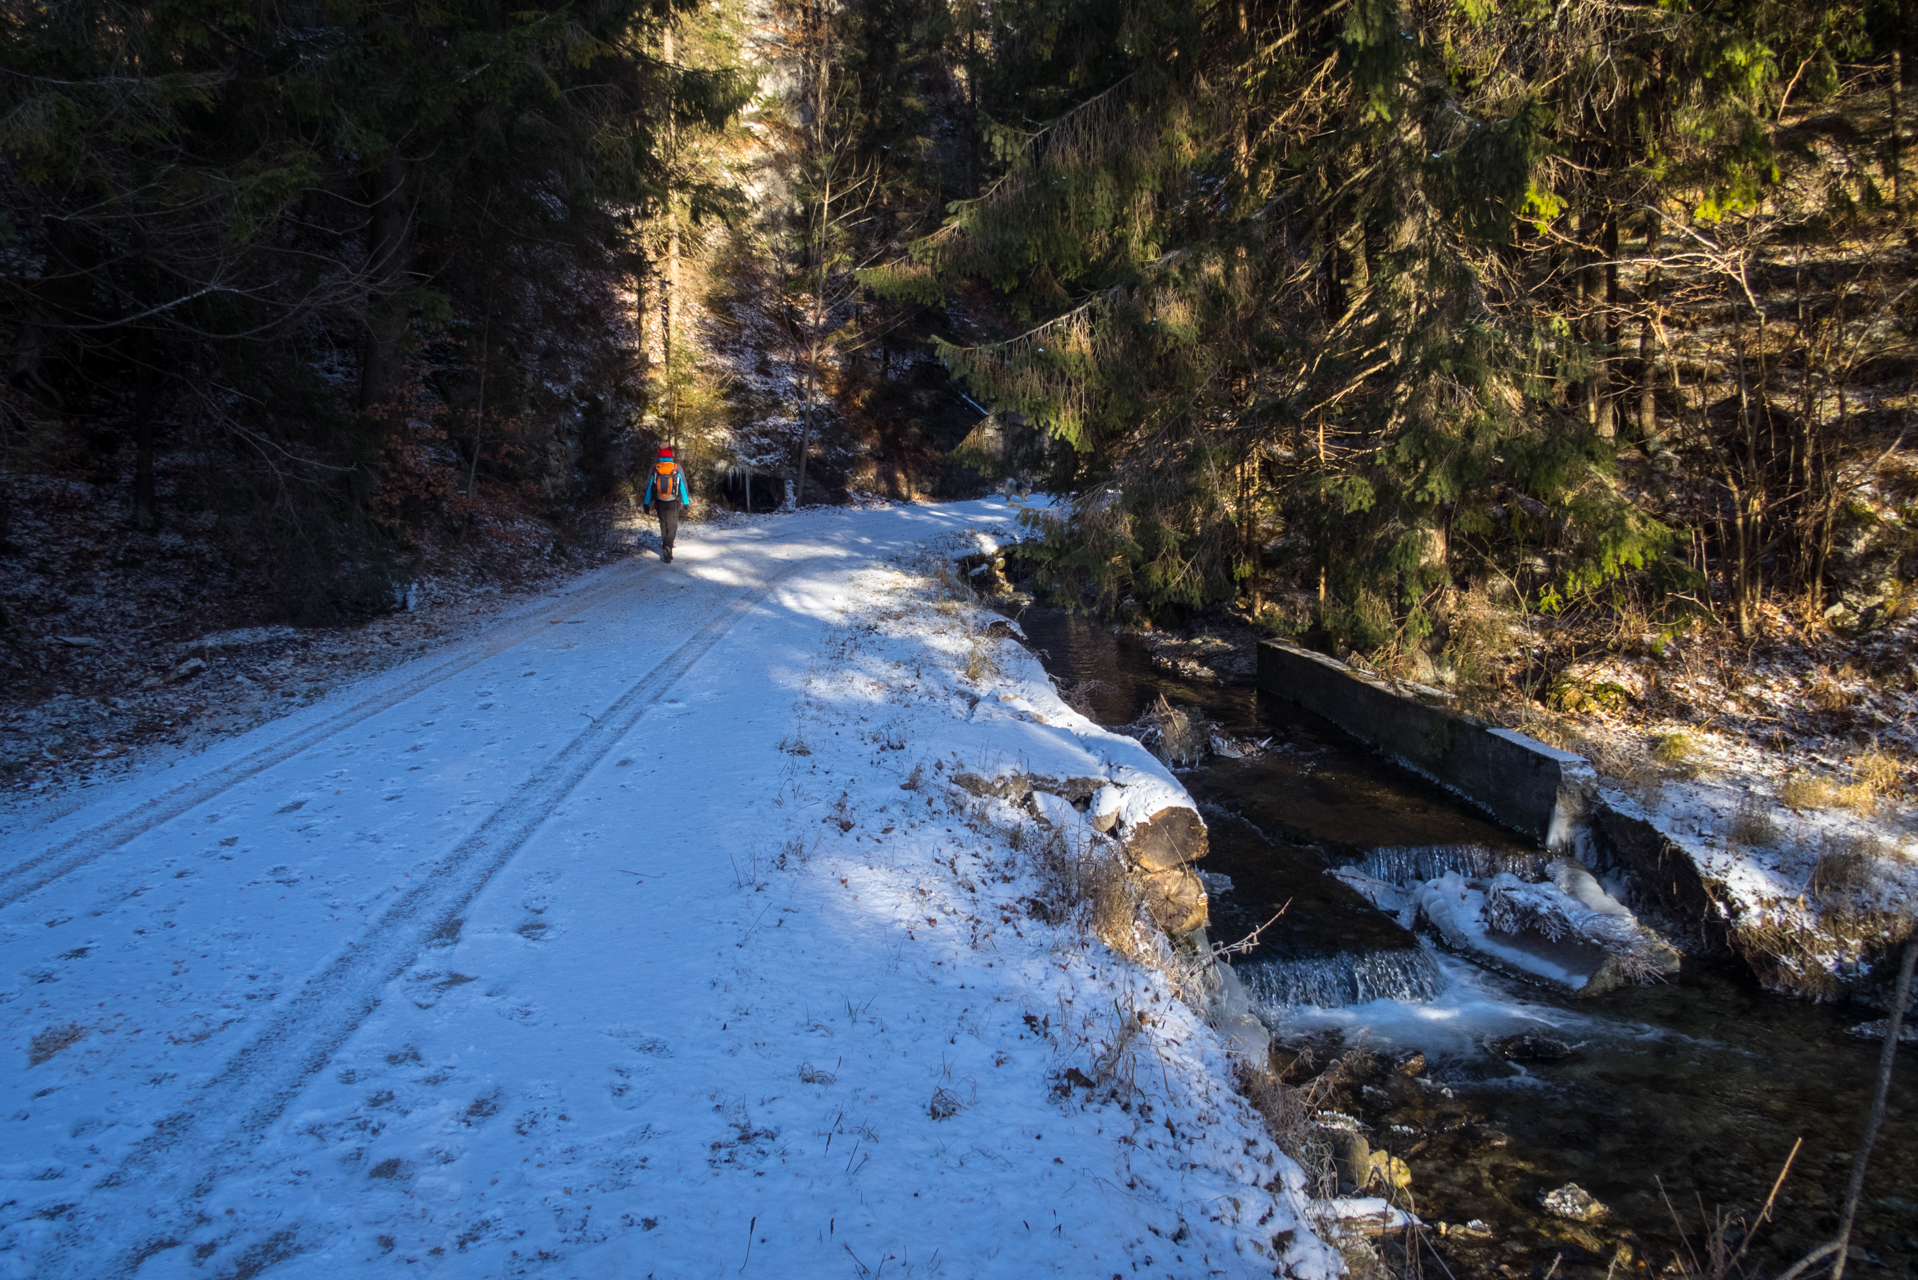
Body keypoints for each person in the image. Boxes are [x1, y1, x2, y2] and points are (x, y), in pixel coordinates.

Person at [641, 447, 691, 562]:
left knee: (663, 525)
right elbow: (683, 486)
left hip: (659, 500)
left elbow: (649, 487)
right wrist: (686, 502)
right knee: (672, 526)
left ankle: (666, 551)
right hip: (674, 501)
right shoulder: (676, 467)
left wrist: (646, 503)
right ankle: (667, 547)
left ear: (659, 456)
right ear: (671, 456)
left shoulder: (655, 467)